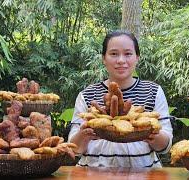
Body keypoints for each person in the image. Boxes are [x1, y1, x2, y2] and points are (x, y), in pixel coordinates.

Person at [68, 30, 173, 168]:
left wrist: (151, 135)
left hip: (143, 173)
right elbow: (74, 149)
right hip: (93, 172)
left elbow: (165, 146)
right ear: (103, 58)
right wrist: (84, 134)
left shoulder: (153, 91)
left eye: (128, 54)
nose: (121, 60)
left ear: (137, 57)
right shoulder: (87, 95)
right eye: (113, 54)